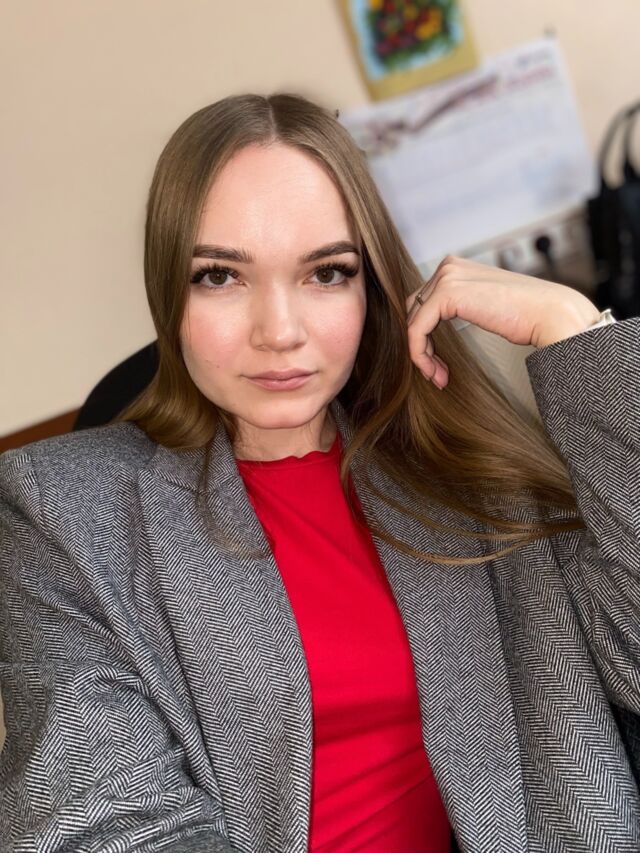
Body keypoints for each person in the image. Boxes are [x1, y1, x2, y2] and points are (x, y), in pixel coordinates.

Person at [0, 92, 638, 853]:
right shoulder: (60, 513)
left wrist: (576, 334)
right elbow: (101, 826)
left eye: (326, 272)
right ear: (168, 289)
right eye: (220, 276)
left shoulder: (467, 463)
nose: (280, 332)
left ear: (370, 287)